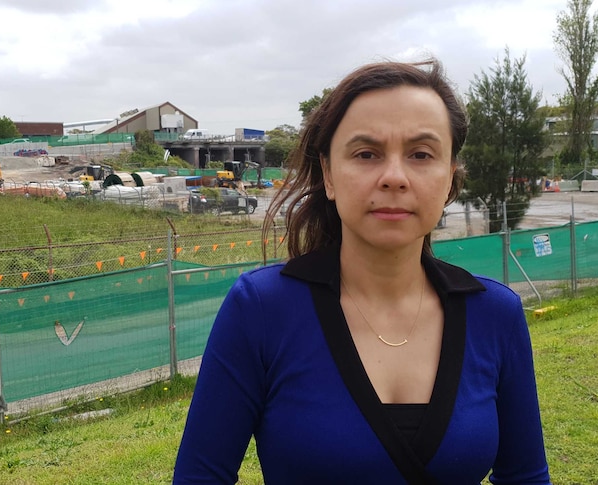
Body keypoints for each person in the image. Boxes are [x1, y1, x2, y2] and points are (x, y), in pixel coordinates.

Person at [174, 58, 551, 484]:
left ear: (450, 179)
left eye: (421, 154)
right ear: (329, 176)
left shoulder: (496, 314)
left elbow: (526, 476)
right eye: (367, 153)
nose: (394, 177)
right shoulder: (261, 309)